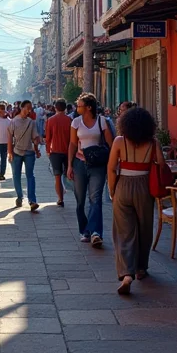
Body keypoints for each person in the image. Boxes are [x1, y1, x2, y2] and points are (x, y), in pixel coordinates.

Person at [107, 106, 162, 295]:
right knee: (145, 228)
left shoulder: (119, 141)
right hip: (145, 187)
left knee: (123, 231)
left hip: (123, 186)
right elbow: (161, 166)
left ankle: (126, 273)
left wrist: (112, 190)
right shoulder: (153, 144)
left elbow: (112, 168)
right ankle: (141, 269)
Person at [68, 92, 114, 248]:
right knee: (80, 200)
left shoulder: (101, 121)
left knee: (95, 198)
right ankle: (84, 230)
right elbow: (73, 144)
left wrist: (112, 165)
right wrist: (69, 165)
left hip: (97, 165)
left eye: (80, 105)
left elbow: (110, 144)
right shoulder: (75, 122)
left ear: (88, 107)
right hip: (80, 164)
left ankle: (96, 232)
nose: (77, 107)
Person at [8, 100, 41, 211]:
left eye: (30, 108)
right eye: (27, 107)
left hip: (29, 152)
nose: (29, 110)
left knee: (30, 176)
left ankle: (32, 200)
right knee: (16, 175)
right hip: (16, 152)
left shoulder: (31, 122)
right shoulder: (13, 122)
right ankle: (19, 196)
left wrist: (37, 148)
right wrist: (10, 152)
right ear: (21, 108)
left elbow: (34, 138)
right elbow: (9, 138)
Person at [45, 98, 72, 207]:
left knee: (57, 176)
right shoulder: (70, 120)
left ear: (55, 108)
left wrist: (47, 150)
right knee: (69, 174)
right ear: (65, 108)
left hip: (55, 151)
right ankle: (73, 191)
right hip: (68, 151)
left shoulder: (50, 120)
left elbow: (48, 138)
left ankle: (60, 199)